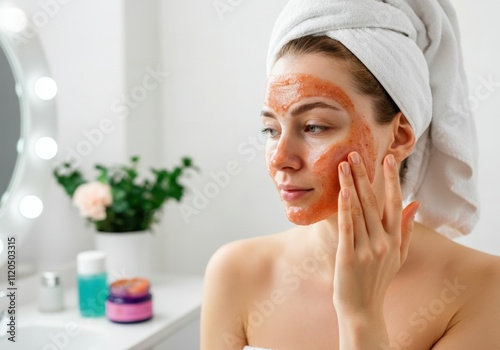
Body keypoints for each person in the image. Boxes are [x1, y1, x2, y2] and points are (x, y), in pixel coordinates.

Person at [201, 0, 500, 349]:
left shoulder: (482, 288)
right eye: (271, 129)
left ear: (400, 136)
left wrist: (361, 315)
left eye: (314, 126)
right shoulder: (235, 273)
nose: (281, 158)